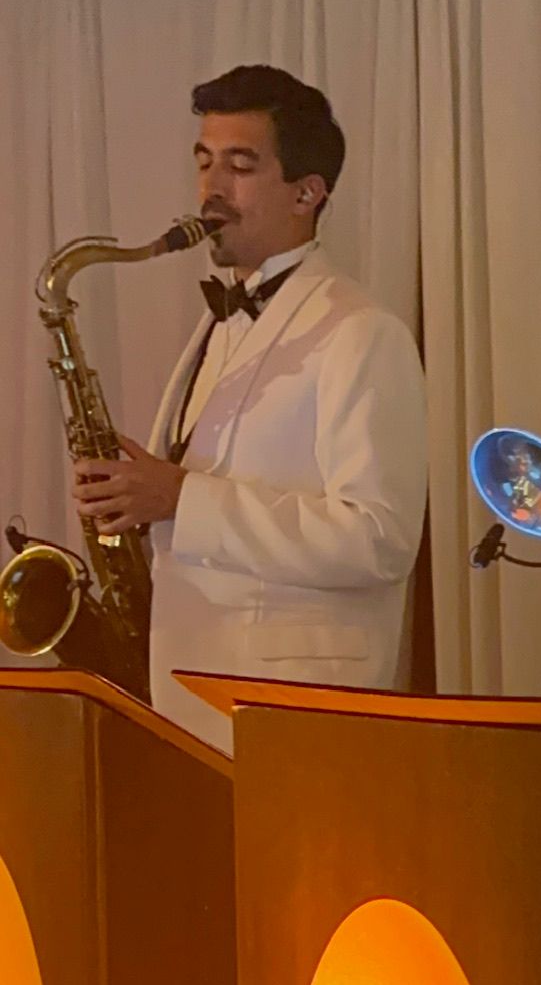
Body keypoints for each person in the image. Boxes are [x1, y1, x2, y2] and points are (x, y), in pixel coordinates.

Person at [73, 65, 428, 752]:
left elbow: (380, 540)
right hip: (192, 697)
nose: (211, 187)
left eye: (240, 166)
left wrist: (182, 499)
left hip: (295, 715)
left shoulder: (363, 331)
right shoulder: (218, 322)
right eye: (204, 161)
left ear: (307, 192)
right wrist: (133, 500)